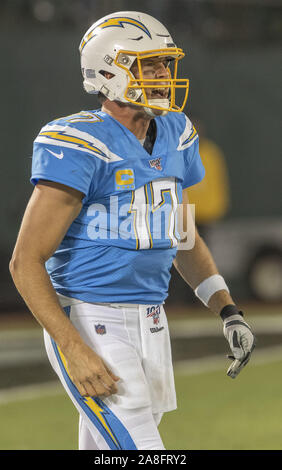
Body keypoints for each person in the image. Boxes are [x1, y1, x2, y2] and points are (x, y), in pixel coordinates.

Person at [9, 11, 255, 451]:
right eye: (150, 64)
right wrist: (72, 347)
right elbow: (24, 260)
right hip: (91, 319)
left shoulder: (177, 132)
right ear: (109, 70)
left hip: (153, 318)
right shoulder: (79, 142)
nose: (164, 75)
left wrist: (228, 309)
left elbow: (181, 235)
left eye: (165, 64)